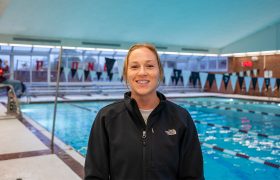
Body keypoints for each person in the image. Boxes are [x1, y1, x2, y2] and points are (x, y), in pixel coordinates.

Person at [84, 43, 204, 180]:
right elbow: (95, 176)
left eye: (150, 66)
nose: (142, 72)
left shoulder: (181, 118)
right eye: (134, 66)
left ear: (160, 72)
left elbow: (193, 176)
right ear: (126, 74)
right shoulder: (107, 118)